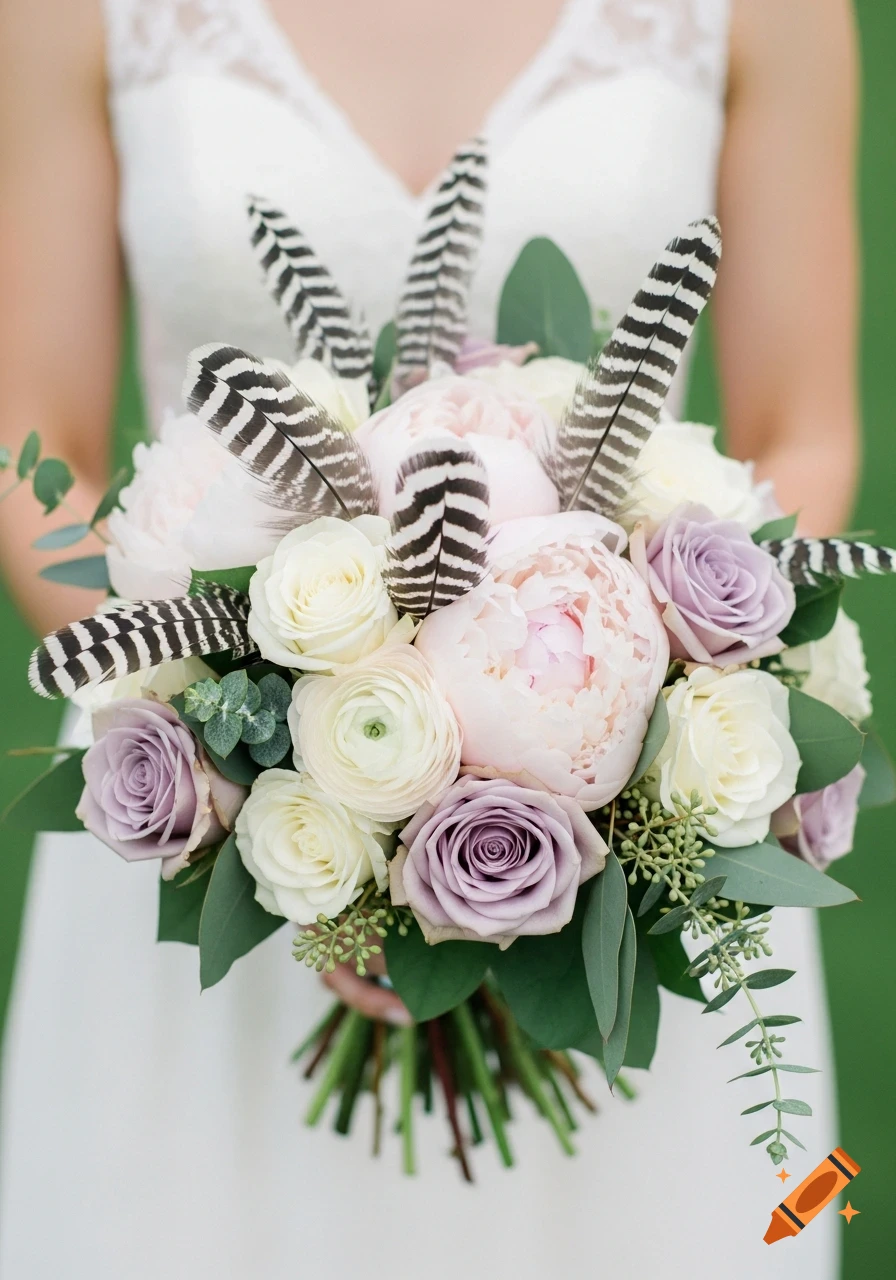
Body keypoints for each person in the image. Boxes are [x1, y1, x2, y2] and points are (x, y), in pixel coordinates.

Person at [0, 1, 857, 1276]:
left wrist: (634, 721)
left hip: (638, 842)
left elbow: (804, 425)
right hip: (200, 835)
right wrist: (250, 758)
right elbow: (32, 452)